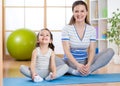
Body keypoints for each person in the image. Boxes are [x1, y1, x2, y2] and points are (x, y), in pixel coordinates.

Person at [61, 0, 114, 76]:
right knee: (51, 59)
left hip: (85, 61)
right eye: (76, 11)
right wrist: (77, 65)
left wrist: (89, 65)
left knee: (110, 51)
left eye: (82, 11)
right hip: (70, 62)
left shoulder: (91, 29)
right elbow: (66, 51)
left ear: (86, 12)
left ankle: (88, 70)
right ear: (73, 13)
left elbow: (92, 49)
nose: (79, 14)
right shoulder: (66, 29)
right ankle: (74, 71)